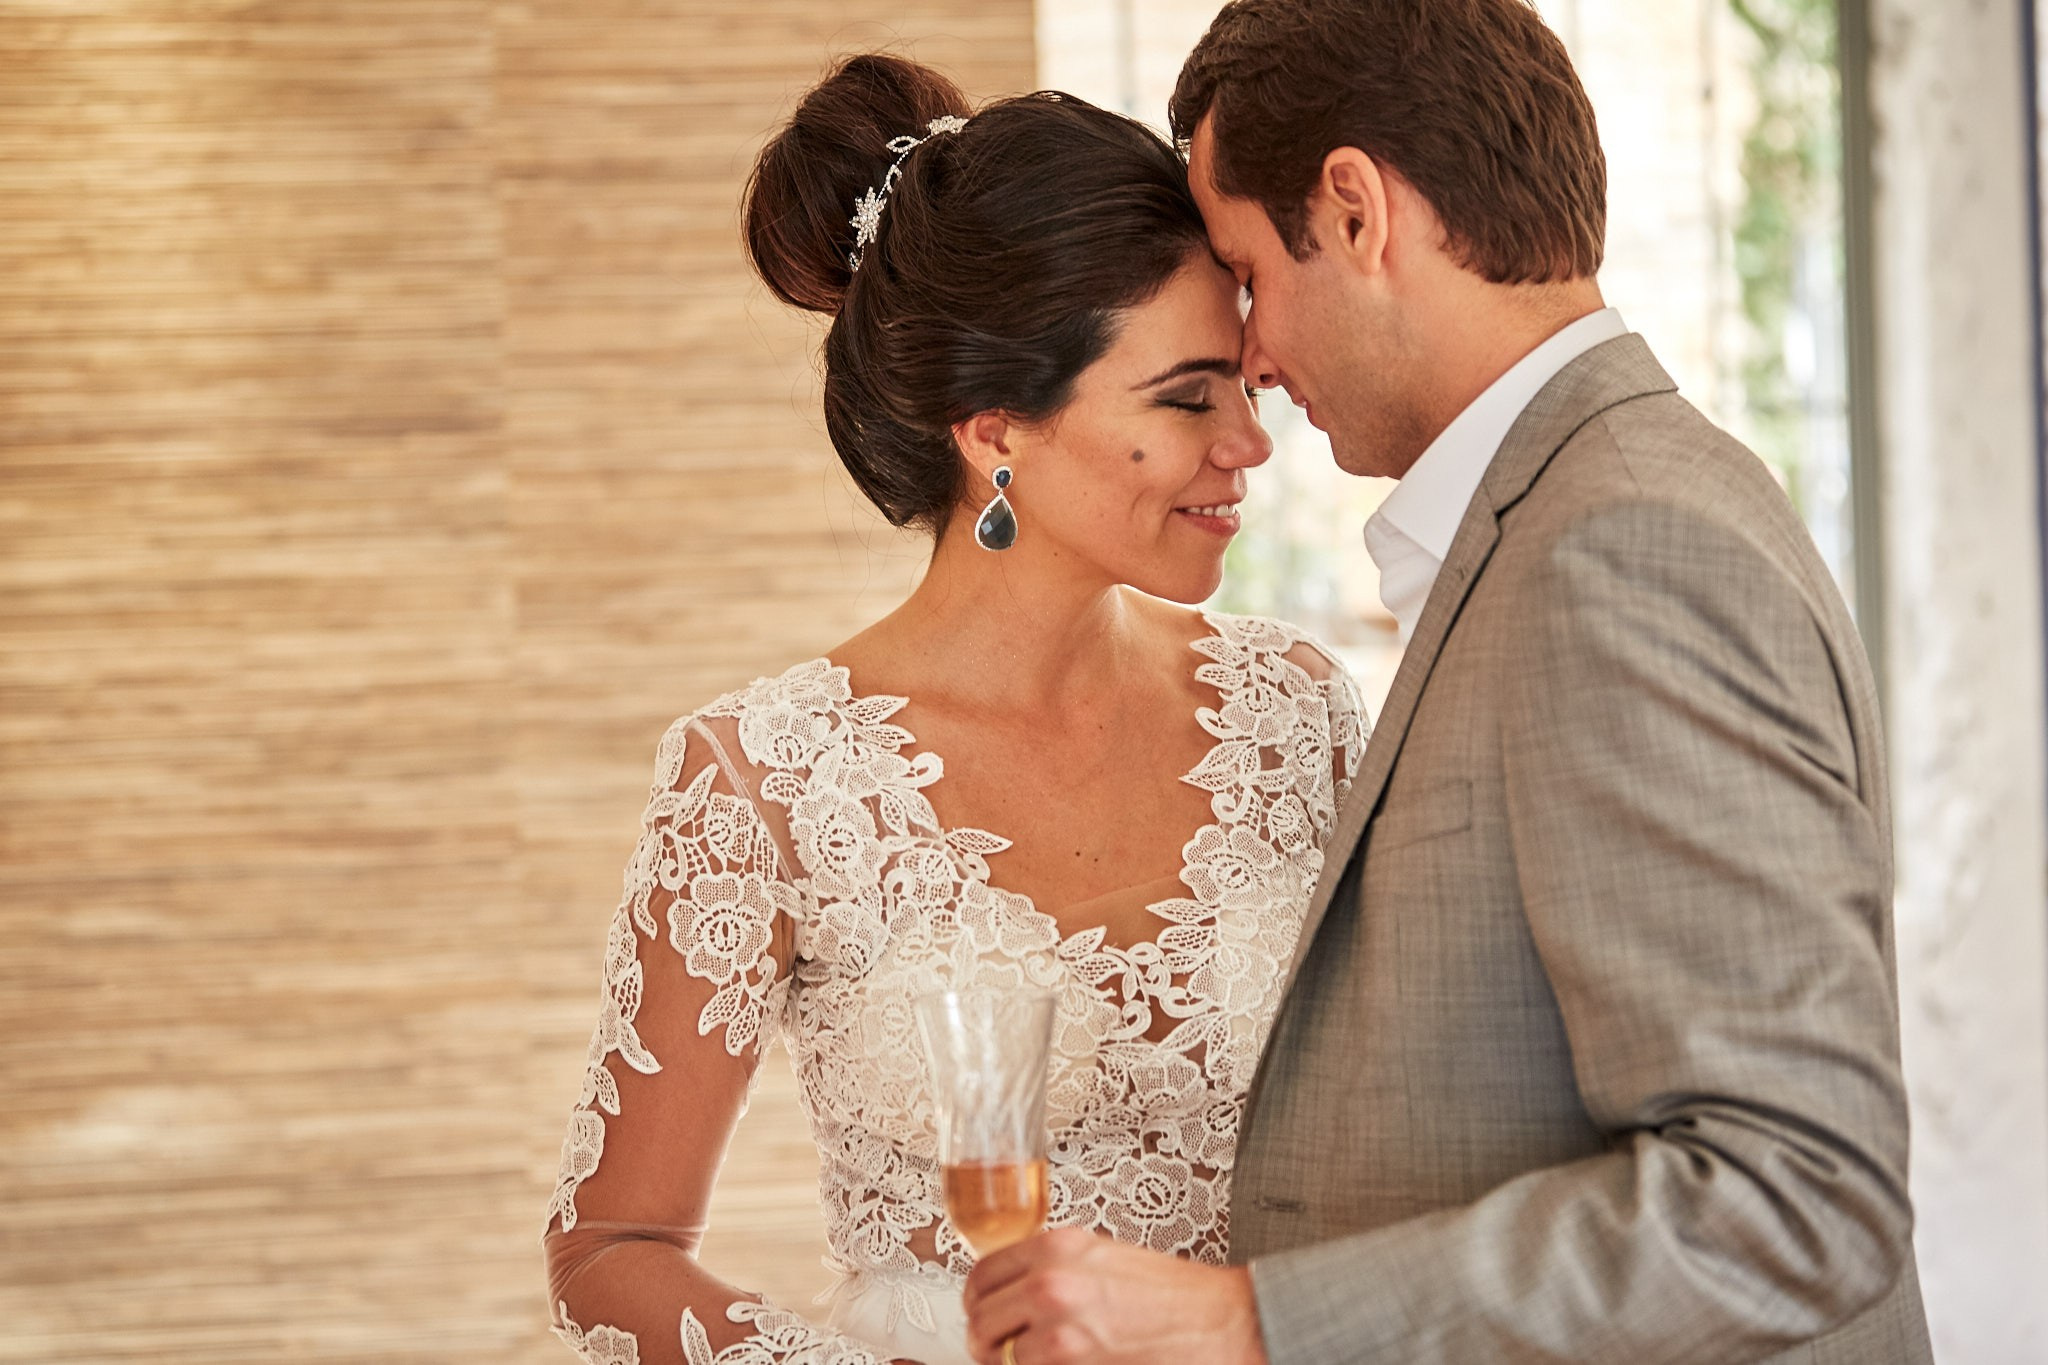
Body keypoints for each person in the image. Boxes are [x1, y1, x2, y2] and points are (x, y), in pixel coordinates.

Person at [962, 2, 1934, 1362]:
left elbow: (1798, 1197)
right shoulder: (1581, 512)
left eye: (1247, 269)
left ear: (1356, 211)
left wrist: (1258, 1318)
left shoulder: (1621, 545)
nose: (1248, 351)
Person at [540, 53, 1368, 1365]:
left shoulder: (1297, 712)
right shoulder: (765, 778)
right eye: (1185, 397)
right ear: (1000, 434)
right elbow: (606, 1251)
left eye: (1244, 385)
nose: (1247, 442)